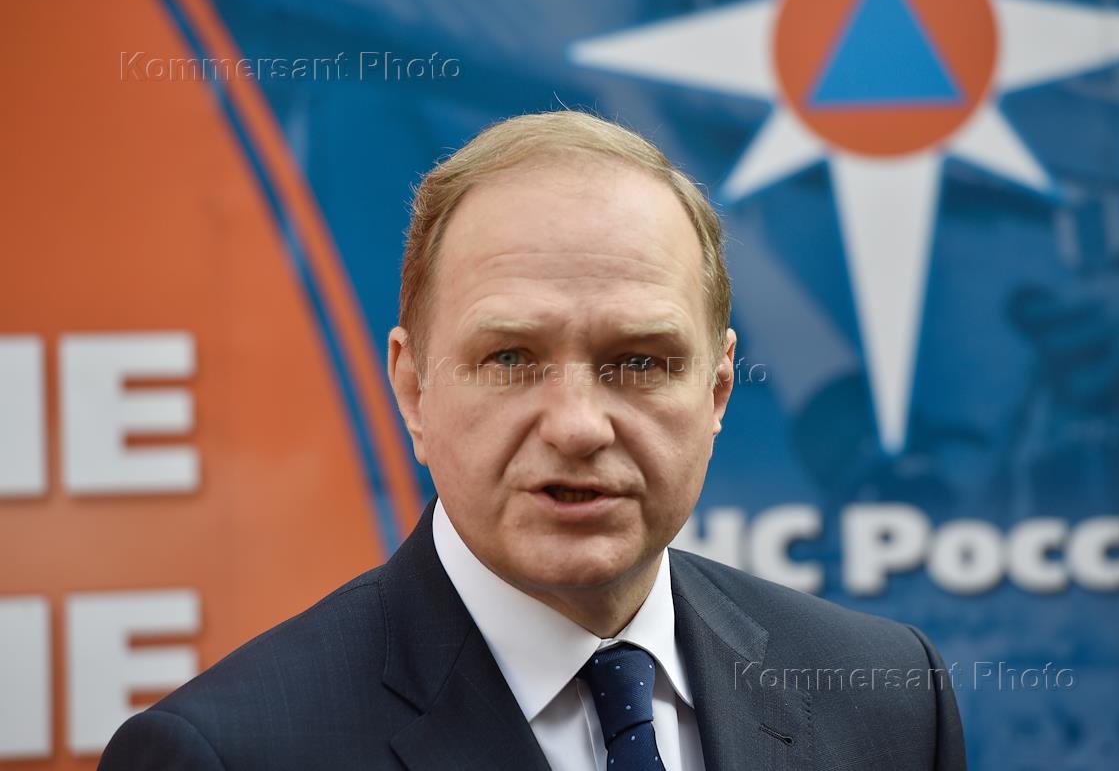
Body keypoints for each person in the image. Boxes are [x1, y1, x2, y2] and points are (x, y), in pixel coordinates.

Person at [100, 111, 967, 770]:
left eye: (639, 361)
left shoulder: (891, 702)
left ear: (717, 390)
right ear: (413, 389)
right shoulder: (226, 753)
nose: (578, 425)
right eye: (510, 358)